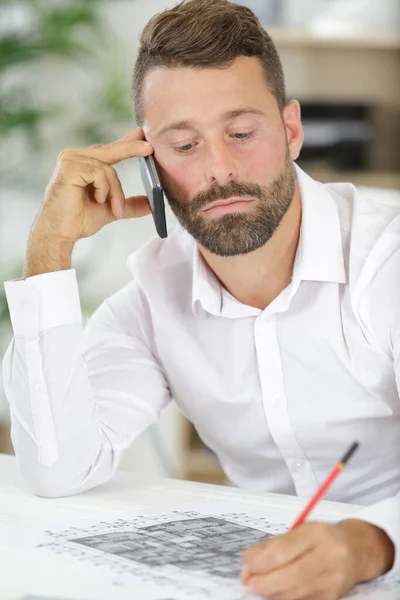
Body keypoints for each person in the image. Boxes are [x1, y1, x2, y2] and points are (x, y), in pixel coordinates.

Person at [2, 0, 399, 598]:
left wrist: (373, 541)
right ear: (148, 165)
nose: (218, 169)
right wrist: (48, 251)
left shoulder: (385, 260)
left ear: (291, 131)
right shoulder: (149, 302)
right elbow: (59, 471)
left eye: (241, 133)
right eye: (183, 146)